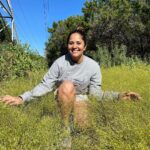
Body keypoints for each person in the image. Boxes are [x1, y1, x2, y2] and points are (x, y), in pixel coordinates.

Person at [0, 27, 141, 129]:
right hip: (63, 94)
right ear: (68, 45)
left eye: (78, 43)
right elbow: (45, 85)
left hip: (81, 98)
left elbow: (96, 95)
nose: (74, 46)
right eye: (71, 43)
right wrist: (21, 98)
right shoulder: (60, 63)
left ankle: (74, 120)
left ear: (85, 46)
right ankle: (64, 128)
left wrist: (119, 96)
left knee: (82, 126)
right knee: (67, 86)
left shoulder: (93, 66)